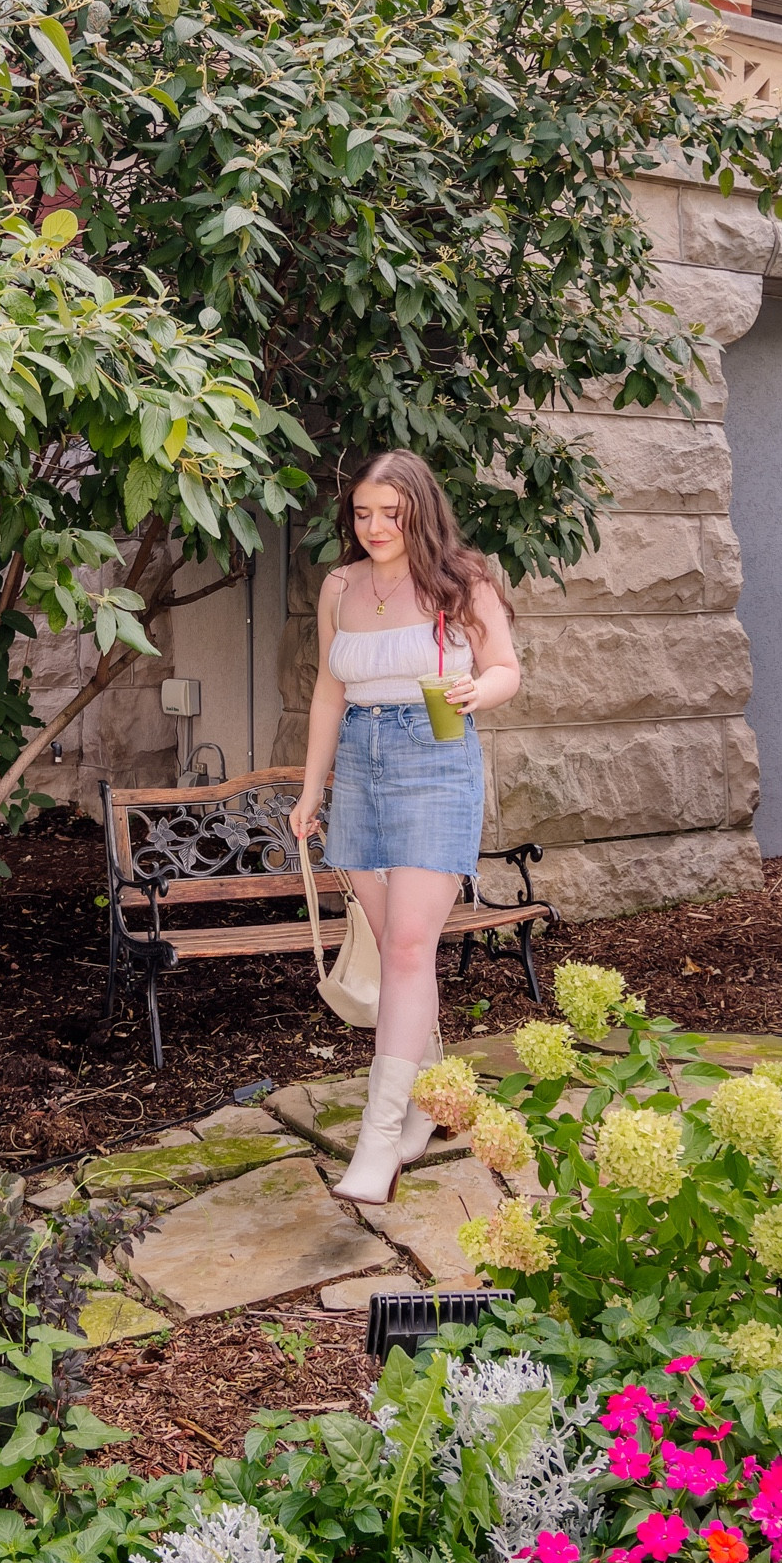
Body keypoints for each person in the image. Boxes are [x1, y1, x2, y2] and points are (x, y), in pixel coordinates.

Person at [289, 450, 521, 1204]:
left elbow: (506, 667)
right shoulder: (339, 587)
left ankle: (380, 1136)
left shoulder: (463, 580)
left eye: (391, 512)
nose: (376, 526)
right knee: (393, 949)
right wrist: (310, 787)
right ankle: (436, 1099)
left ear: (419, 509)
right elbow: (329, 691)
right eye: (363, 512)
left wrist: (476, 687)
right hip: (360, 760)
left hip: (437, 753)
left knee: (413, 945)